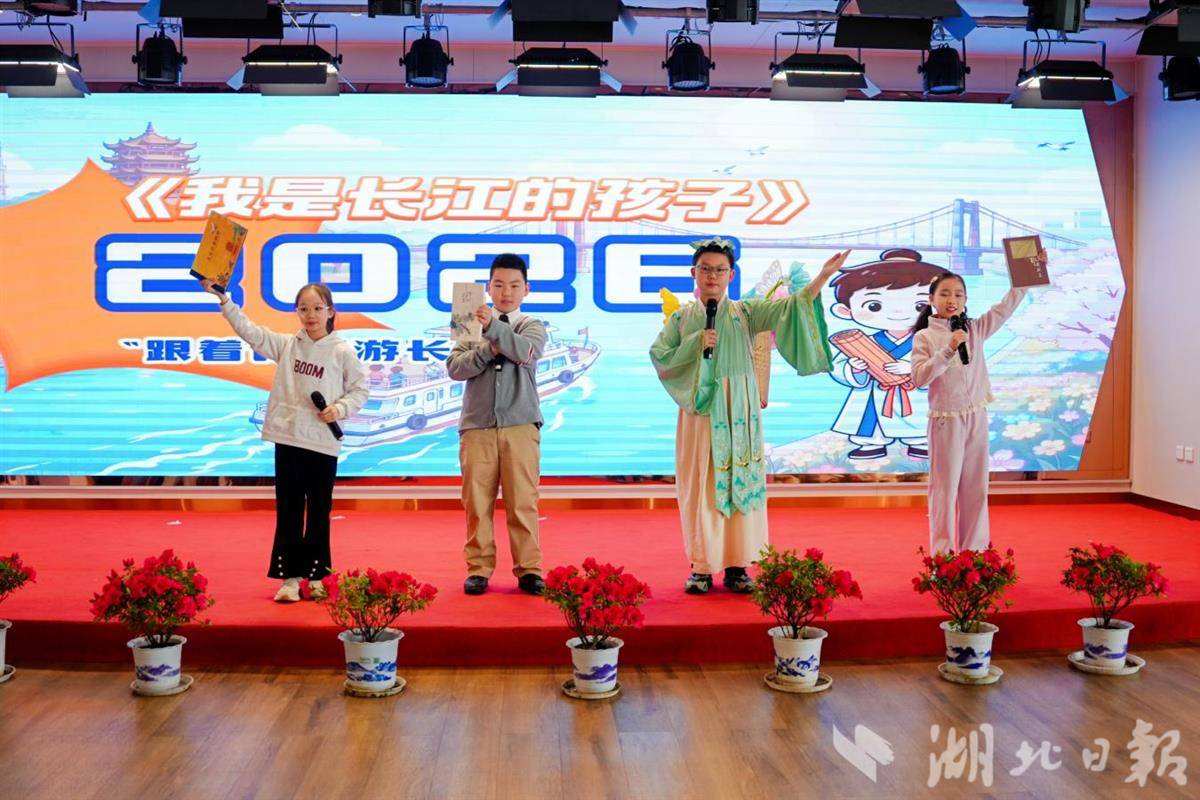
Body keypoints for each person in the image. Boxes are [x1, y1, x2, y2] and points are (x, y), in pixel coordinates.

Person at [650, 240, 849, 594]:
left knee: (740, 480)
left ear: (731, 275)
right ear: (693, 273)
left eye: (720, 270)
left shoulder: (747, 312)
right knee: (704, 484)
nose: (712, 276)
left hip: (740, 407)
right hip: (701, 411)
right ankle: (701, 566)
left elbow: (792, 306)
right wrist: (695, 343)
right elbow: (660, 356)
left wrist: (822, 276)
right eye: (705, 269)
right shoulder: (681, 318)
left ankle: (738, 565)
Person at [201, 279, 368, 602]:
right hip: (288, 439)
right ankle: (290, 578)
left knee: (318, 511)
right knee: (289, 509)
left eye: (317, 308)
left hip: (321, 442)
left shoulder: (342, 352)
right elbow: (250, 332)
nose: (311, 315)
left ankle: (317, 576)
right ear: (296, 312)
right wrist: (225, 302)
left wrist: (339, 409)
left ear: (331, 311)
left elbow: (360, 390)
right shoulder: (288, 345)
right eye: (303, 309)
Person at [909, 269, 1034, 554]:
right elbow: (919, 378)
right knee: (945, 491)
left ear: (965, 300)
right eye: (944, 294)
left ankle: (974, 555)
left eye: (958, 294)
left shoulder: (975, 330)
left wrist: (1028, 274)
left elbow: (1003, 310)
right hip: (945, 421)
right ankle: (942, 558)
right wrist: (948, 349)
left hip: (977, 416)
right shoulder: (925, 337)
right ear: (931, 299)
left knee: (976, 489)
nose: (951, 300)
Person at [446, 253, 547, 596]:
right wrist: (489, 349)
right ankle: (479, 568)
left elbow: (526, 353)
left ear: (526, 289)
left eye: (515, 286)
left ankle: (529, 569)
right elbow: (455, 368)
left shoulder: (532, 324)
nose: (507, 292)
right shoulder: (468, 321)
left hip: (521, 424)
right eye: (499, 285)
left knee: (523, 502)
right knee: (477, 502)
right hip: (477, 425)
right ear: (488, 287)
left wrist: (492, 330)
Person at [828, 249, 944, 460]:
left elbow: (944, 364)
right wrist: (854, 368)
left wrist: (913, 368)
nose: (898, 313)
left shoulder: (930, 341)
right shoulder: (864, 342)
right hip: (876, 392)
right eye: (874, 305)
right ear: (846, 311)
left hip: (915, 392)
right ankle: (872, 444)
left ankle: (920, 442)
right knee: (871, 418)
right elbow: (837, 367)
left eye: (920, 305)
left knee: (921, 419)